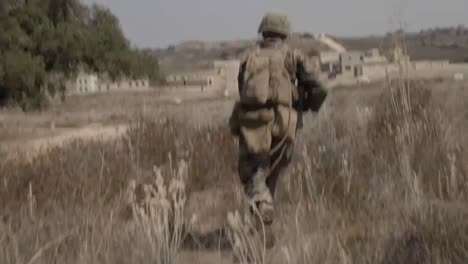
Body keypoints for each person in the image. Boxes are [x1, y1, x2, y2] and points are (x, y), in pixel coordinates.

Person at [229, 12, 328, 248]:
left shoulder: (248, 58)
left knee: (253, 176)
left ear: (263, 31)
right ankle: (262, 235)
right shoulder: (293, 56)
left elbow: (242, 88)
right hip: (284, 126)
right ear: (284, 33)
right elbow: (320, 87)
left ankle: (263, 212)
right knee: (268, 175)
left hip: (252, 125)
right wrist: (307, 105)